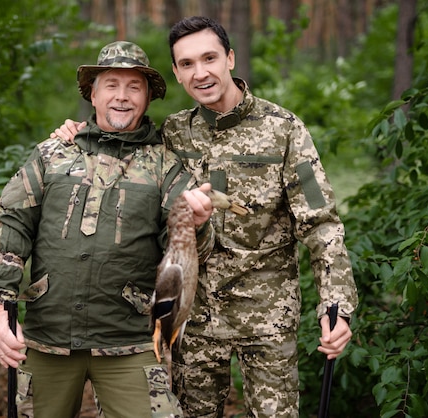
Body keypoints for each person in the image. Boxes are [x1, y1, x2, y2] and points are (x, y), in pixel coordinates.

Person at [52, 16, 359, 418]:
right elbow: (117, 142)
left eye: (210, 58)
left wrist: (336, 305)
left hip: (267, 318)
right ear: (178, 74)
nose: (201, 72)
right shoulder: (171, 134)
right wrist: (78, 134)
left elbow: (321, 224)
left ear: (230, 58)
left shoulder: (285, 131)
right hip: (194, 319)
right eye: (187, 64)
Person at [0, 40, 218, 418]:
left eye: (134, 87)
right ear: (92, 93)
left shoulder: (165, 167)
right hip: (48, 340)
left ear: (147, 98)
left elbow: (184, 252)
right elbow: (11, 225)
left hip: (129, 342)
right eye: (111, 84)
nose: (121, 97)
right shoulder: (52, 155)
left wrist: (197, 225)